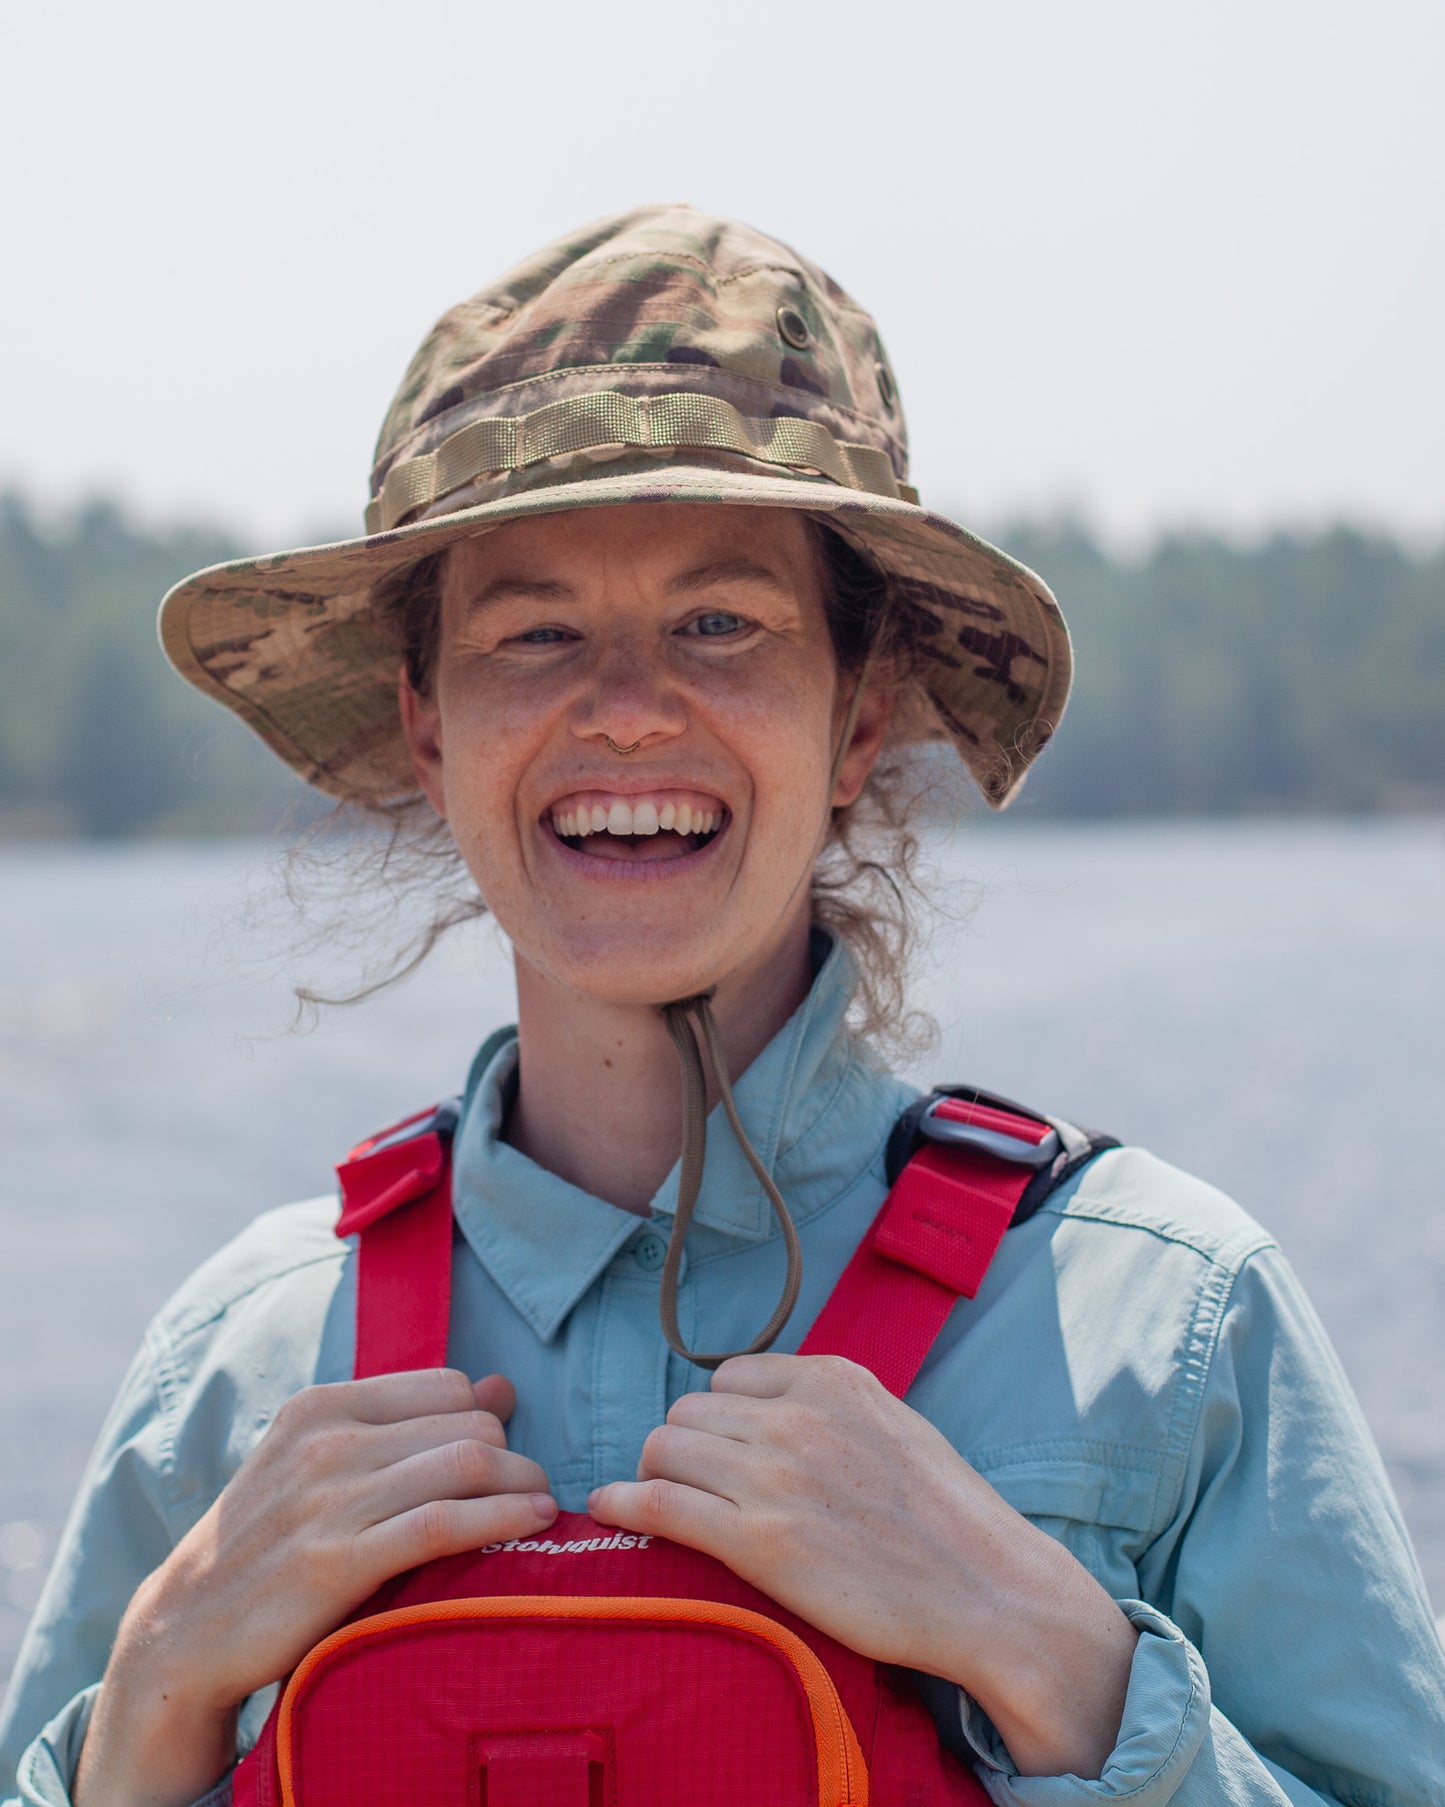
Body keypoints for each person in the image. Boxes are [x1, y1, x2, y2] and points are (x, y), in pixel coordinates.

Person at [2, 204, 1442, 1807]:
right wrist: (152, 1699)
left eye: (720, 624)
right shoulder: (237, 1363)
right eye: (532, 633)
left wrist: (1054, 1657)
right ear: (429, 728)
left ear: (855, 717)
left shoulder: (1166, 1319)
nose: (626, 710)